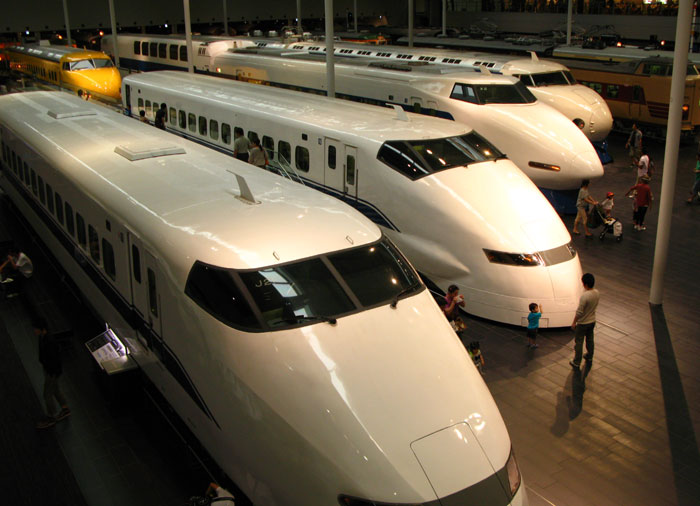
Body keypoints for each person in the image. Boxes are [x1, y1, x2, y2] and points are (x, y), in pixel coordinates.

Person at [34, 316, 71, 429]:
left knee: (47, 394)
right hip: (51, 370)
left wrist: (51, 372)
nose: (34, 330)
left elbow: (54, 359)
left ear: (42, 329)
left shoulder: (49, 341)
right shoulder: (43, 337)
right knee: (55, 389)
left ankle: (51, 417)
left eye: (36, 328)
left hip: (51, 372)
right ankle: (65, 408)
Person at [570, 273, 599, 369]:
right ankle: (589, 356)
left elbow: (579, 312)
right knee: (590, 340)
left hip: (583, 323)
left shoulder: (585, 296)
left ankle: (577, 362)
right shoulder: (597, 293)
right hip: (592, 321)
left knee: (579, 342)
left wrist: (574, 322)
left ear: (585, 284)